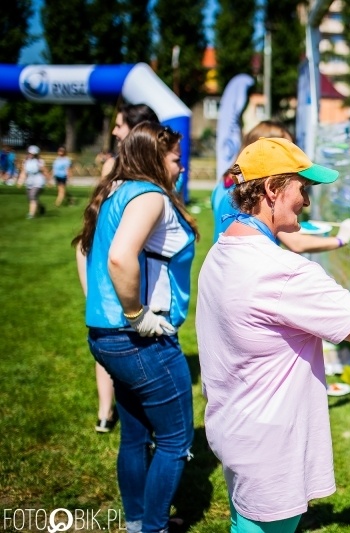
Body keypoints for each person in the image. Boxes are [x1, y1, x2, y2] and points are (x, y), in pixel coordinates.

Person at [196, 137, 350, 532]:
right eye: (302, 189)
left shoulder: (223, 249)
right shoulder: (284, 271)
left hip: (236, 433)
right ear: (273, 189)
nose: (307, 202)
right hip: (270, 452)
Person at [72, 122, 197, 533]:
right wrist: (137, 314)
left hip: (108, 338)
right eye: (177, 158)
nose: (182, 167)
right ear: (155, 157)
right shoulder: (148, 196)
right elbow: (121, 258)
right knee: (176, 441)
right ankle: (154, 527)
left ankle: (139, 521)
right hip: (139, 340)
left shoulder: (118, 190)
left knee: (135, 437)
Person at [81, 103, 159, 433]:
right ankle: (109, 410)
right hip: (110, 263)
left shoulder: (125, 170)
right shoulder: (117, 169)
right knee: (115, 332)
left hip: (105, 262)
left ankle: (110, 413)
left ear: (136, 129)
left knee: (107, 333)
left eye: (119, 125)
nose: (114, 131)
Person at [212, 120, 350, 250]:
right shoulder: (258, 197)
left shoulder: (223, 185)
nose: (291, 152)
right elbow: (296, 243)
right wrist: (340, 239)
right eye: (282, 147)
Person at [17, 145, 49, 219]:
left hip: (38, 182)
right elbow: (24, 172)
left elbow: (45, 171)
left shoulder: (39, 161)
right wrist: (20, 181)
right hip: (29, 182)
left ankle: (31, 214)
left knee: (33, 196)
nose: (30, 154)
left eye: (32, 153)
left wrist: (48, 181)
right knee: (30, 198)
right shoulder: (26, 161)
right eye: (29, 153)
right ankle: (41, 207)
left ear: (36, 154)